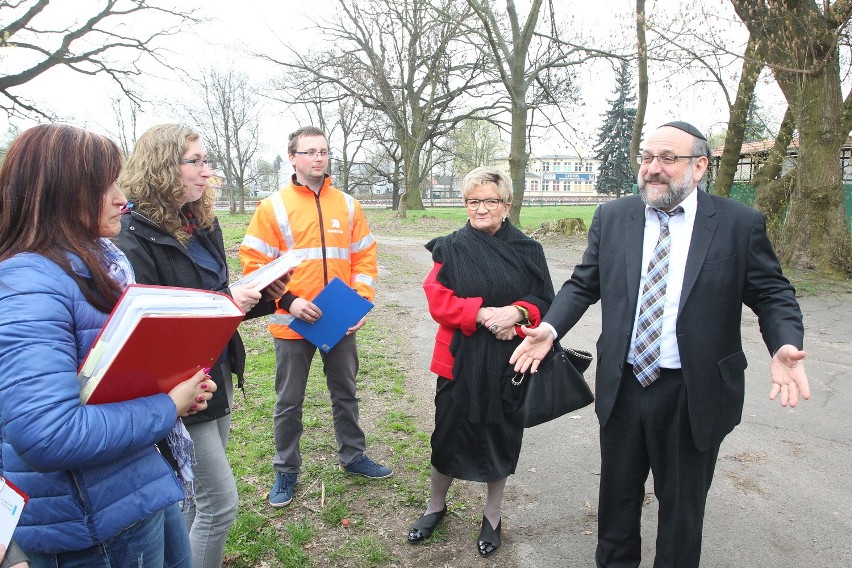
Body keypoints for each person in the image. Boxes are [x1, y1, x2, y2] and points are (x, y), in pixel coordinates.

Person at [510, 121, 810, 567]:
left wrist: (784, 343)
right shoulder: (614, 217)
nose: (653, 168)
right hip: (625, 386)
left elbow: (772, 292)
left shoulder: (736, 223)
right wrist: (549, 329)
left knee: (682, 513)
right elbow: (582, 283)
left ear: (699, 166)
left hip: (696, 393)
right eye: (647, 158)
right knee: (616, 504)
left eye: (668, 159)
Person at [0, 123, 216, 566]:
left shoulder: (89, 266)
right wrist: (165, 408)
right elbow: (48, 433)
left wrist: (170, 390)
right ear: (60, 194)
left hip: (133, 487)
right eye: (104, 187)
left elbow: (99, 380)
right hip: (92, 524)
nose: (123, 199)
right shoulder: (28, 285)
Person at [114, 124, 288, 568]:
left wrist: (263, 295)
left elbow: (216, 299)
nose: (207, 172)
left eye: (207, 162)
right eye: (197, 162)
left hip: (217, 372)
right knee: (219, 504)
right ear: (163, 167)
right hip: (176, 387)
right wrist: (229, 299)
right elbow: (153, 322)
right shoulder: (132, 235)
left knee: (192, 496)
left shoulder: (200, 221)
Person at [239, 125, 390, 508]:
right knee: (288, 401)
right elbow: (255, 265)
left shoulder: (349, 205)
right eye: (308, 152)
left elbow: (364, 258)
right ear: (293, 158)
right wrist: (288, 302)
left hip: (339, 319)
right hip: (292, 320)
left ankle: (353, 456)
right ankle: (286, 470)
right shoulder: (272, 207)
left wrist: (360, 301)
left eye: (323, 151)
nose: (318, 158)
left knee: (346, 393)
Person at [406, 167, 555, 557]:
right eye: (474, 201)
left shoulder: (528, 250)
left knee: (501, 436)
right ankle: (436, 506)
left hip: (511, 361)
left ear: (506, 205)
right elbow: (437, 300)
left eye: (491, 200)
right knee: (448, 433)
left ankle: (492, 515)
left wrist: (519, 314)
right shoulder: (450, 247)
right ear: (465, 204)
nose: (482, 208)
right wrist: (484, 314)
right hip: (459, 358)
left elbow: (544, 300)